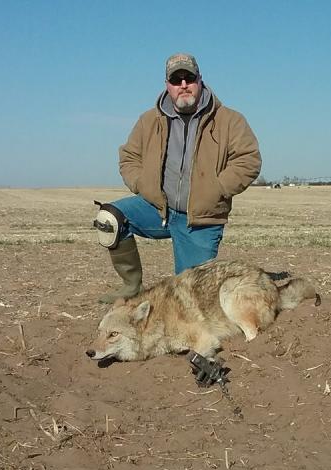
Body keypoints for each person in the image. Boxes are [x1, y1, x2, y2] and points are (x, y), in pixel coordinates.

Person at [95, 52, 262, 304]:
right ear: (167, 85)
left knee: (189, 298)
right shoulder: (149, 120)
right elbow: (129, 157)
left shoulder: (230, 120)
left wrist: (217, 189)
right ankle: (131, 286)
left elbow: (249, 160)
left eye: (189, 78)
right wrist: (141, 184)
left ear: (200, 80)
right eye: (176, 79)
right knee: (110, 218)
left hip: (200, 221)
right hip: (157, 209)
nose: (183, 84)